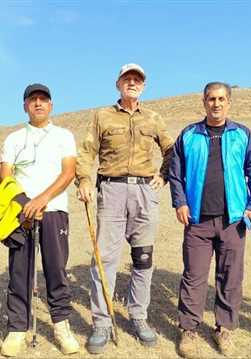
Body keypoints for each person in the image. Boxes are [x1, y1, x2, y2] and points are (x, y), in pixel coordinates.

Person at [75, 63, 174, 354]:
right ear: (118, 83)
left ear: (143, 86)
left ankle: (138, 316)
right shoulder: (102, 116)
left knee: (143, 258)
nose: (132, 83)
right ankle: (102, 322)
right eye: (127, 79)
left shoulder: (153, 118)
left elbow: (171, 149)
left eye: (137, 80)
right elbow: (87, 151)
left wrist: (164, 175)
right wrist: (83, 179)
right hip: (112, 189)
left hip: (145, 191)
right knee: (104, 259)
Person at [168, 82, 251, 358]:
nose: (216, 104)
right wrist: (180, 202)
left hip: (233, 219)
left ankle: (225, 329)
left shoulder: (242, 134)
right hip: (197, 221)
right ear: (204, 102)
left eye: (222, 99)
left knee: (230, 277)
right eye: (211, 99)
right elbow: (176, 174)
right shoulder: (188, 135)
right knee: (194, 276)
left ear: (229, 102)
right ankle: (188, 330)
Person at [0, 84, 80, 357]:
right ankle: (17, 328)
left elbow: (68, 173)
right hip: (21, 214)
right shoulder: (13, 139)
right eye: (32, 100)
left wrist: (42, 199)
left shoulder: (64, 136)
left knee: (56, 269)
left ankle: (61, 324)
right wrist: (25, 205)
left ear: (51, 105)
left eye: (43, 99)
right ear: (25, 106)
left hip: (54, 209)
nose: (38, 104)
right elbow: (6, 178)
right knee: (20, 271)